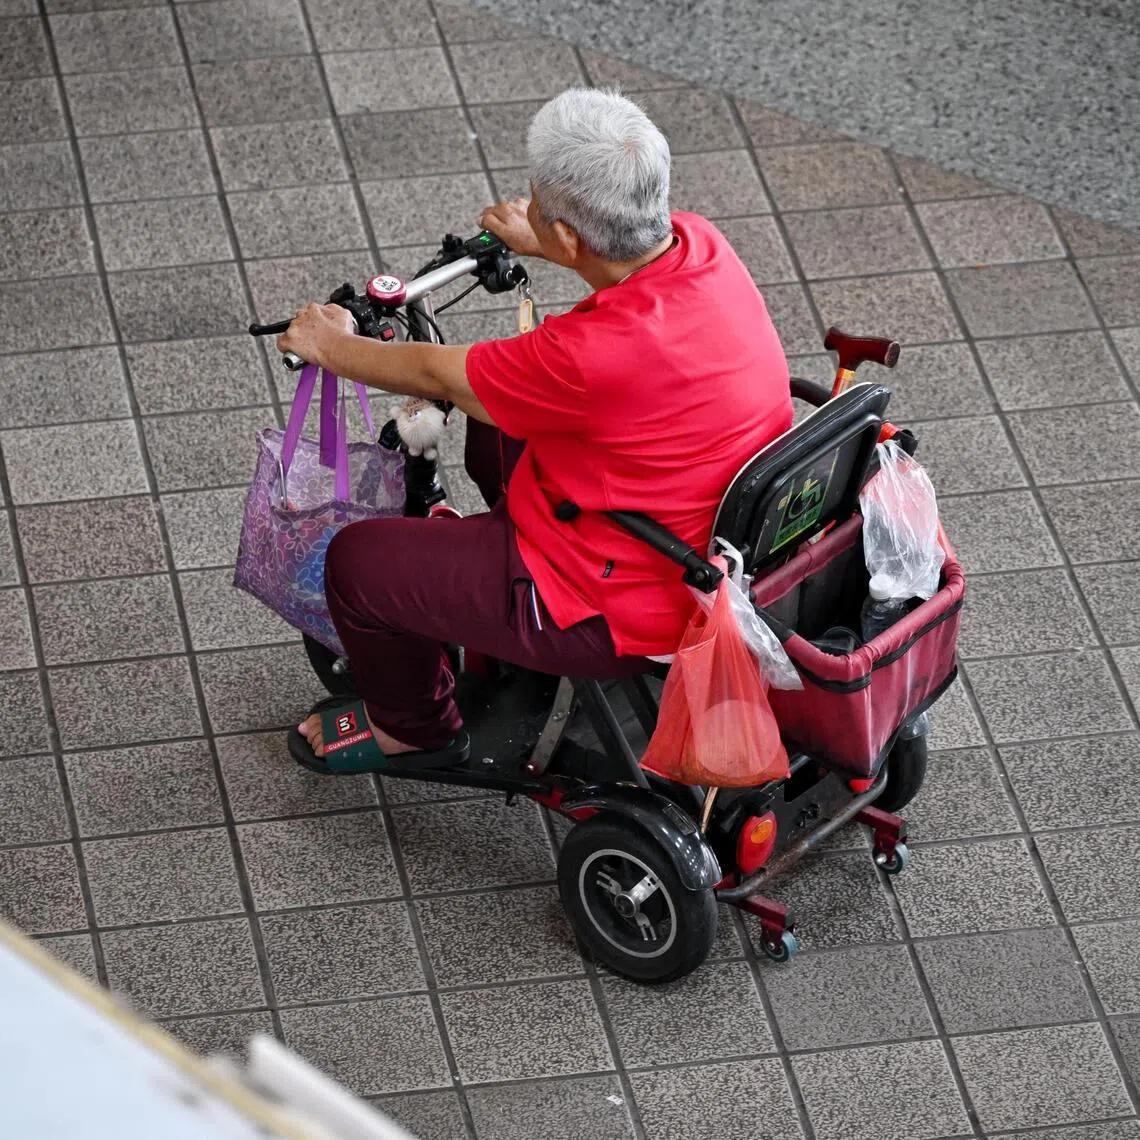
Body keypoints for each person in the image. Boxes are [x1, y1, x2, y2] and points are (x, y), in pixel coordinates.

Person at [281, 87, 793, 769]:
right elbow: (614, 272)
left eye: (544, 211)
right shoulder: (701, 244)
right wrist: (548, 242)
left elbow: (440, 376)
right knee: (501, 434)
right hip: (704, 529)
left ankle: (413, 725)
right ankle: (486, 592)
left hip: (617, 600)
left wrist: (329, 346)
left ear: (573, 235)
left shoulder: (588, 357)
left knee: (357, 566)